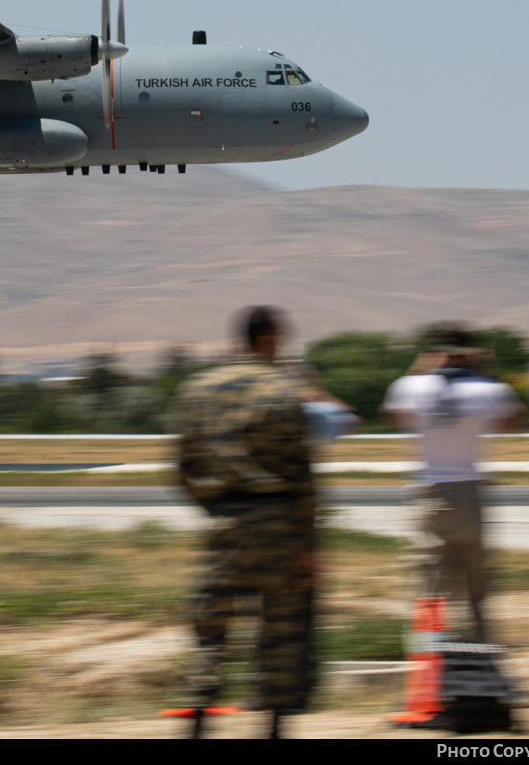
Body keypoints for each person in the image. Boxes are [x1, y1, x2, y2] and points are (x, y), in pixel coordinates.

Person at [170, 306, 315, 739]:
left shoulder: (199, 389)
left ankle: (197, 720)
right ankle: (272, 726)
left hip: (225, 522)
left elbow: (182, 466)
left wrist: (216, 509)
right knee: (282, 631)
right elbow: (303, 475)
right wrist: (310, 544)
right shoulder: (283, 392)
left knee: (210, 630)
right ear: (270, 338)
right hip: (279, 523)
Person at [384, 329, 520, 642]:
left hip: (431, 492)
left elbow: (391, 416)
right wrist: (486, 373)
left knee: (431, 581)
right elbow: (513, 422)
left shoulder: (411, 386)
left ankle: (429, 651)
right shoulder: (487, 389)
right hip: (470, 490)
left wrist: (419, 370)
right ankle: (480, 643)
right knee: (477, 581)